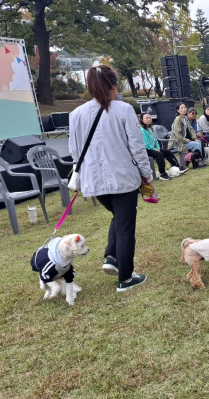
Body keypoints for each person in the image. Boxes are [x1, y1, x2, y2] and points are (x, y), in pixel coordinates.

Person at [69, 65, 150, 292]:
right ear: (113, 84)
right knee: (125, 226)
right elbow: (137, 147)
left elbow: (74, 152)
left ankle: (111, 256)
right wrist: (147, 175)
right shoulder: (123, 110)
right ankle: (125, 278)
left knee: (119, 218)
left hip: (94, 182)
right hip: (122, 178)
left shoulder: (76, 115)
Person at [140, 113, 182, 180]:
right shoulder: (142, 130)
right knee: (159, 154)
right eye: (146, 118)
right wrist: (155, 149)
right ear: (142, 120)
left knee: (167, 152)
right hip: (147, 150)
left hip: (154, 149)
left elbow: (156, 140)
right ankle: (162, 173)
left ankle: (177, 167)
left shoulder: (150, 128)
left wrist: (158, 148)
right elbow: (146, 145)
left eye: (149, 118)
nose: (149, 119)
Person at [172, 103, 203, 168]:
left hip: (184, 141)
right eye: (181, 108)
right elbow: (177, 134)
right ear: (178, 110)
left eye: (185, 107)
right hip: (178, 142)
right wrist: (186, 140)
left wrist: (194, 138)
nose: (184, 109)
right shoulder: (178, 119)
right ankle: (197, 162)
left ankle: (197, 162)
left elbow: (191, 129)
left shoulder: (185, 119)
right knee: (196, 144)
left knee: (198, 142)